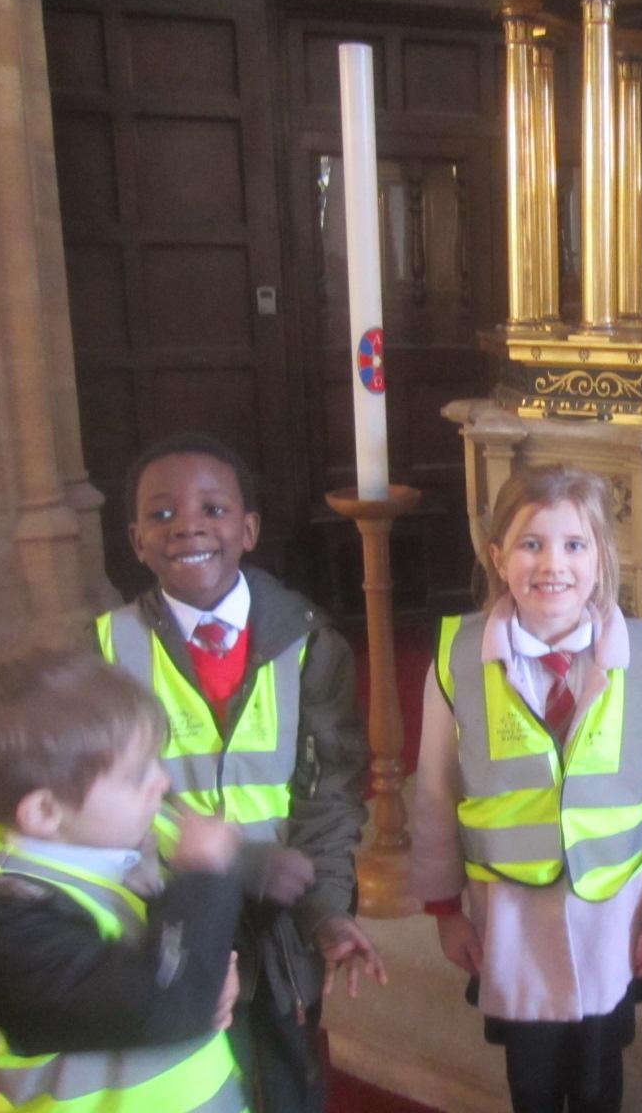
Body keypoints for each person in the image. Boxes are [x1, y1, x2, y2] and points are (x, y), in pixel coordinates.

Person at [96, 431, 384, 1113]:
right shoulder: (107, 650)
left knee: (288, 1077)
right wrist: (235, 864)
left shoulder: (310, 643)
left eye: (213, 509)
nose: (187, 525)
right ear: (136, 540)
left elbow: (331, 793)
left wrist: (324, 909)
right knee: (196, 1082)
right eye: (162, 514)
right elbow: (99, 801)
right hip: (169, 916)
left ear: (248, 529)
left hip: (283, 925)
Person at [409, 464, 642, 1113]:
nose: (553, 564)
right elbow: (434, 792)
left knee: (600, 1075)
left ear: (601, 560)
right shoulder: (458, 659)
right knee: (533, 1079)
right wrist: (444, 908)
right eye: (531, 543)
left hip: (609, 911)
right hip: (511, 913)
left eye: (574, 544)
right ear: (498, 557)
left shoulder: (641, 655)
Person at [0, 646, 245, 1112]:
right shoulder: (3, 913)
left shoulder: (129, 826)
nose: (163, 782)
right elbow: (165, 1004)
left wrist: (213, 968)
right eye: (137, 774)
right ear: (46, 811)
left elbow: (189, 959)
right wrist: (203, 877)